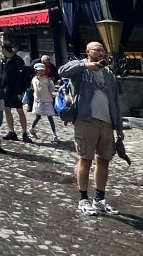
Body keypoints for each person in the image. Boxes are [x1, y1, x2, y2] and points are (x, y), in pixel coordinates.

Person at [59, 41, 124, 216]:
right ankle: (83, 199)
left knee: (104, 160)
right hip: (86, 120)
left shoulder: (108, 74)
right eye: (97, 50)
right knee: (85, 159)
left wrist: (118, 126)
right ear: (88, 51)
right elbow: (62, 70)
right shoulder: (81, 70)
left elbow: (115, 101)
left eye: (103, 50)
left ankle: (100, 199)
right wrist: (85, 64)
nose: (101, 52)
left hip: (107, 123)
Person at [0, 43, 33, 143]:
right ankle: (12, 132)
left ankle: (24, 133)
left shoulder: (17, 60)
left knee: (20, 112)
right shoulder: (4, 61)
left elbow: (21, 78)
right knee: (7, 110)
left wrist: (20, 91)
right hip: (6, 91)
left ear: (5, 49)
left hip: (16, 90)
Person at [29, 62, 59, 141]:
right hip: (38, 101)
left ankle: (54, 134)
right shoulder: (34, 79)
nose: (41, 72)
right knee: (38, 117)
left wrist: (51, 84)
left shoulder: (47, 80)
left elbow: (52, 89)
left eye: (42, 70)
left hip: (47, 100)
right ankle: (31, 128)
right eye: (39, 70)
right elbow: (33, 88)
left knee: (50, 117)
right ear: (36, 71)